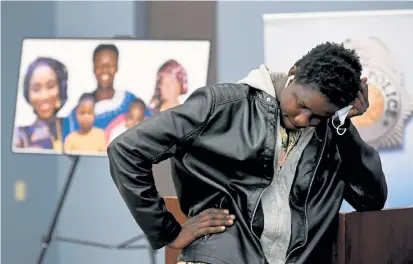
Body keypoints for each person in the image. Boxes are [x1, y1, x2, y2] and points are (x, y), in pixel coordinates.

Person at [107, 42, 388, 264]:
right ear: (293, 73)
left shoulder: (333, 133)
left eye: (317, 116)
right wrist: (168, 231)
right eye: (300, 104)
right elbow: (126, 150)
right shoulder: (223, 105)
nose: (304, 119)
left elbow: (370, 200)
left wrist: (342, 125)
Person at [62, 43, 151, 140]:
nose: (105, 69)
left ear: (117, 67)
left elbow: (151, 133)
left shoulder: (131, 102)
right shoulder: (80, 110)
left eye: (110, 65)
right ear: (94, 68)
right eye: (100, 65)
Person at [14, 57, 68, 151]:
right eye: (36, 89)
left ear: (60, 89)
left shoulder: (73, 125)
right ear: (28, 94)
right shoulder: (20, 136)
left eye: (51, 86)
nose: (44, 96)